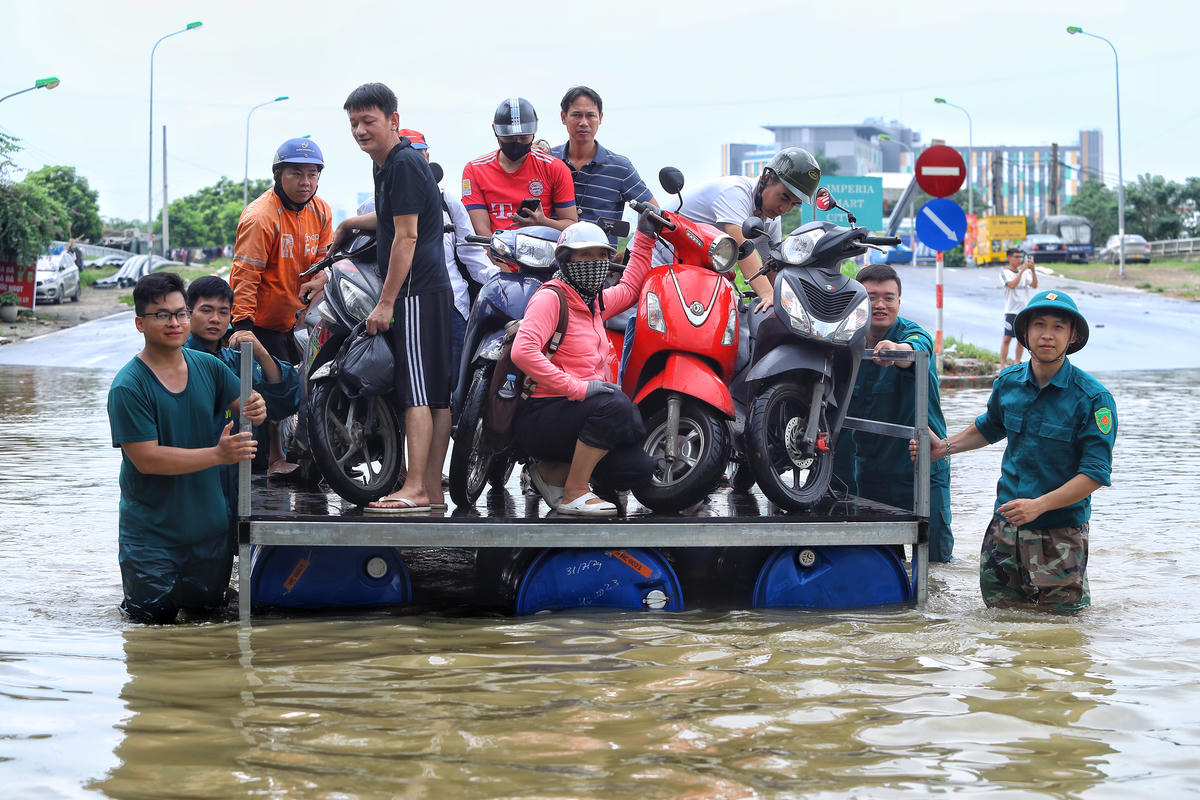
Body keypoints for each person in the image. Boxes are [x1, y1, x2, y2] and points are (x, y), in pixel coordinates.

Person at [912, 290, 1116, 612]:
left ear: (1072, 335)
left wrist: (1039, 506)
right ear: (1025, 333)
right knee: (1000, 626)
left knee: (1063, 633)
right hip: (1004, 530)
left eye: (1058, 327)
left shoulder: (1092, 399)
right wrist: (944, 448)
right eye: (1039, 325)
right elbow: (989, 427)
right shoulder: (1008, 383)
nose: (1047, 335)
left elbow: (1094, 474)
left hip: (1060, 535)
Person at [107, 272, 266, 624]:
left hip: (209, 538)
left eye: (180, 313)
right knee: (150, 636)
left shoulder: (210, 367)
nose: (174, 322)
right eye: (162, 315)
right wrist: (218, 455)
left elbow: (248, 403)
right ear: (140, 323)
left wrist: (256, 407)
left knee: (209, 631)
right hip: (151, 542)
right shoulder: (128, 386)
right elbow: (147, 459)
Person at [344, 82, 452, 513]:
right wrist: (352, 223)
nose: (359, 131)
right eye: (353, 123)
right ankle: (431, 490)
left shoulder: (402, 164)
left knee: (417, 395)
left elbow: (405, 238)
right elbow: (393, 220)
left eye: (368, 121)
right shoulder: (389, 163)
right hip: (430, 289)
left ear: (394, 121)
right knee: (436, 395)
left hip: (415, 292)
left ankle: (415, 489)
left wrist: (385, 302)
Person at [511, 219, 658, 516]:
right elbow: (522, 351)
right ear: (566, 260)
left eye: (601, 255)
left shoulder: (594, 302)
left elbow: (630, 288)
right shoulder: (552, 298)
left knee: (638, 468)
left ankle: (553, 471)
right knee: (617, 406)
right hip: (543, 413)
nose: (596, 262)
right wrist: (577, 387)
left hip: (577, 416)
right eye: (585, 255)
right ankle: (574, 492)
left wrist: (644, 236)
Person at [334, 129, 498, 393]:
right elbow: (378, 217)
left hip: (451, 301)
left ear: (428, 157)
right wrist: (350, 223)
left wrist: (496, 281)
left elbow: (471, 252)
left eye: (420, 155)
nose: (415, 163)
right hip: (404, 300)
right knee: (409, 388)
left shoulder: (448, 200)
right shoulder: (378, 200)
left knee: (449, 387)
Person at [229, 137, 332, 475]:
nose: (306, 182)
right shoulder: (261, 217)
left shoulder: (321, 211)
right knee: (272, 392)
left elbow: (325, 256)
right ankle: (274, 460)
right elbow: (246, 272)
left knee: (307, 386)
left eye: (313, 174)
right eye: (297, 174)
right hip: (261, 320)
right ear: (278, 174)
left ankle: (310, 453)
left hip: (298, 318)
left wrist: (322, 276)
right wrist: (242, 325)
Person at [836, 264, 953, 562]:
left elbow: (917, 349)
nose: (880, 305)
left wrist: (896, 351)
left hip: (919, 469)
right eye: (871, 296)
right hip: (870, 473)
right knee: (881, 562)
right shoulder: (844, 340)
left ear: (899, 302)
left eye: (889, 297)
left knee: (935, 563)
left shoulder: (913, 334)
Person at [184, 276, 301, 477]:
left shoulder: (236, 360)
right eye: (206, 310)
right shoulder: (176, 359)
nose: (215, 319)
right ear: (188, 312)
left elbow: (286, 400)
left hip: (234, 477)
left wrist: (261, 353)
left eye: (223, 312)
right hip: (190, 470)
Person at [551, 86, 656, 249]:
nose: (583, 122)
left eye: (590, 115)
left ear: (600, 118)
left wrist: (630, 252)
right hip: (550, 262)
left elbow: (653, 214)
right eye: (577, 115)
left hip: (602, 267)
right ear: (563, 117)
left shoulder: (620, 168)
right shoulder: (548, 160)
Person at [461, 97, 578, 237]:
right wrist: (497, 258)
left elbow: (571, 225)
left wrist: (543, 222)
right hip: (491, 253)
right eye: (509, 137)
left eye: (523, 137)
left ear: (534, 131)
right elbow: (481, 232)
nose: (516, 142)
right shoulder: (475, 170)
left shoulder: (555, 168)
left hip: (541, 254)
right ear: (495, 130)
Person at [1000, 247, 1038, 368]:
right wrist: (1021, 271)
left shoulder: (1026, 272)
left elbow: (1034, 285)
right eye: (1016, 257)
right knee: (1007, 338)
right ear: (1009, 258)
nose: (1019, 260)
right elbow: (1012, 285)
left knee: (1021, 340)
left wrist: (1033, 270)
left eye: (1021, 257)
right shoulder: (1005, 272)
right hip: (1011, 310)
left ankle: (1017, 363)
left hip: (1024, 310)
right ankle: (1002, 365)